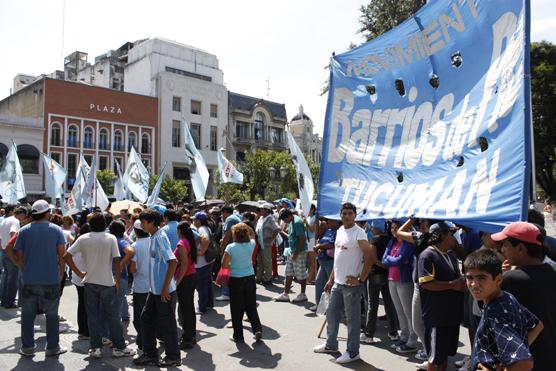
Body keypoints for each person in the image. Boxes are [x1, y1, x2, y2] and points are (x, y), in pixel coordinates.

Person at [65, 212, 135, 359]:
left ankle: (95, 347)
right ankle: (119, 347)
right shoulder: (110, 238)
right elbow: (116, 261)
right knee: (113, 317)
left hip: (89, 282)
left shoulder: (83, 238)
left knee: (93, 317)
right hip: (107, 282)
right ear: (104, 224)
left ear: (90, 225)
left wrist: (79, 272)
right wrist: (116, 280)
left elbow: (67, 256)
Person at [464, 249, 544, 371]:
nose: (474, 284)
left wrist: (513, 360)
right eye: (469, 277)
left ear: (499, 280)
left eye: (481, 278)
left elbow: (524, 363)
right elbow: (537, 325)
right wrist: (506, 361)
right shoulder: (506, 297)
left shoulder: (495, 311)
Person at [491, 222, 556, 371]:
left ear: (520, 248)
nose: (502, 250)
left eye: (505, 245)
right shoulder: (553, 272)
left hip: (519, 361)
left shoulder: (510, 280)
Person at [313, 202, 372, 364]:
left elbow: (370, 256)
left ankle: (353, 352)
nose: (347, 216)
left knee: (352, 321)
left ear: (355, 215)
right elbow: (338, 259)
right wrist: (331, 279)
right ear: (340, 215)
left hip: (352, 286)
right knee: (332, 315)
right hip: (337, 283)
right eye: (344, 213)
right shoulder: (339, 231)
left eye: (350, 213)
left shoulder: (359, 233)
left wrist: (361, 279)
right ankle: (331, 344)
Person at [12, 200, 67, 357]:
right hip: (50, 279)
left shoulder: (24, 231)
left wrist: (23, 269)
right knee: (51, 315)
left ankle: (28, 347)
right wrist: (61, 273)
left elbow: (18, 254)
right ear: (47, 213)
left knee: (28, 315)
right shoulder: (56, 230)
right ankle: (52, 347)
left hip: (29, 279)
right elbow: (62, 254)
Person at [133, 208, 180, 367]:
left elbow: (172, 261)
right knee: (146, 319)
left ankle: (173, 356)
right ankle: (150, 354)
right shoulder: (153, 236)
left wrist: (165, 288)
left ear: (152, 222)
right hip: (154, 290)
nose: (142, 225)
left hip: (163, 291)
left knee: (167, 325)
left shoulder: (160, 237)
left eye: (144, 222)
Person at [418, 221, 465, 371]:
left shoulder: (450, 255)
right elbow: (426, 283)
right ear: (441, 236)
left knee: (444, 356)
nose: (455, 238)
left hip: (451, 314)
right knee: (435, 359)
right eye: (451, 234)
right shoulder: (427, 255)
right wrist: (452, 284)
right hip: (438, 316)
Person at [222, 223, 263, 342]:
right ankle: (257, 329)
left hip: (236, 279)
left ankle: (238, 335)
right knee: (251, 306)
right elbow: (253, 234)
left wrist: (233, 264)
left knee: (236, 307)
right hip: (250, 277)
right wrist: (245, 226)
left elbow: (224, 264)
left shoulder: (231, 247)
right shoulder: (251, 244)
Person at [382, 220, 418, 353]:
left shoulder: (408, 242)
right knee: (399, 312)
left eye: (397, 228)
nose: (394, 230)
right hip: (391, 279)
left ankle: (412, 341)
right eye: (392, 228)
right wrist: (394, 260)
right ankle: (404, 337)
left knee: (409, 313)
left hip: (404, 280)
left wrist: (392, 259)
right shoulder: (392, 242)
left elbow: (400, 260)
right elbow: (384, 260)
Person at [361, 220, 399, 344]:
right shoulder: (390, 239)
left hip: (374, 274)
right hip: (387, 275)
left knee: (372, 305)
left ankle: (369, 334)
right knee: (389, 304)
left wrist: (381, 265)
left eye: (373, 226)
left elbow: (372, 258)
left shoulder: (375, 240)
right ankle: (393, 332)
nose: (371, 228)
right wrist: (386, 267)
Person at [274, 208, 309, 303]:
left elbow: (302, 239)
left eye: (285, 219)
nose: (285, 222)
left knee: (301, 274)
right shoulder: (291, 221)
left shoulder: (297, 222)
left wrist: (296, 253)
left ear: (289, 216)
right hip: (292, 251)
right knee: (288, 273)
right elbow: (292, 236)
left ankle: (303, 294)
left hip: (299, 252)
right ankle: (285, 294)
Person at [128, 219, 150, 353]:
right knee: (152, 316)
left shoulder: (135, 246)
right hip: (154, 286)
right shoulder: (155, 241)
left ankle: (143, 342)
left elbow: (133, 269)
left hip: (140, 286)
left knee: (140, 318)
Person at [175, 221, 197, 349]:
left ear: (180, 231)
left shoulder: (182, 243)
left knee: (186, 309)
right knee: (188, 308)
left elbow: (183, 265)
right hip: (190, 276)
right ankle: (190, 335)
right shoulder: (189, 241)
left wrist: (178, 281)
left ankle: (188, 337)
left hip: (186, 278)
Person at [310, 218, 339, 312]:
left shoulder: (338, 232)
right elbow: (322, 241)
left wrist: (320, 247)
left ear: (336, 221)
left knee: (330, 286)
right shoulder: (328, 231)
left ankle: (330, 308)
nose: (328, 222)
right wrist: (319, 247)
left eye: (330, 221)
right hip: (322, 263)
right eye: (327, 221)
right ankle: (320, 306)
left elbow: (332, 244)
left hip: (330, 263)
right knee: (319, 283)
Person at [109, 220, 135, 322]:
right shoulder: (120, 241)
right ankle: (123, 317)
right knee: (120, 299)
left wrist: (121, 263)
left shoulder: (116, 241)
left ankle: (116, 329)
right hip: (121, 276)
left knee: (116, 303)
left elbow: (130, 252)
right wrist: (123, 263)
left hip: (113, 276)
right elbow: (131, 252)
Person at [71, 223, 90, 340]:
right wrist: (80, 272)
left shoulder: (77, 242)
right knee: (86, 305)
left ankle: (83, 330)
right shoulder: (84, 243)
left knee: (82, 304)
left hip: (78, 278)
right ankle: (86, 331)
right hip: (84, 278)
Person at [192, 211, 215, 313]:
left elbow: (205, 240)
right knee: (207, 283)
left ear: (198, 221)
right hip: (208, 261)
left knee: (201, 286)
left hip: (202, 262)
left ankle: (202, 308)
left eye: (194, 220)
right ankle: (209, 303)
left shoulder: (201, 229)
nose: (193, 221)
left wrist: (201, 252)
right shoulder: (207, 228)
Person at [218, 205, 242, 301]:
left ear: (225, 212)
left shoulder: (230, 219)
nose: (221, 216)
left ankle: (225, 293)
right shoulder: (236, 217)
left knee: (225, 270)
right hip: (237, 247)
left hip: (231, 249)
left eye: (221, 213)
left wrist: (222, 248)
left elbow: (227, 235)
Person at [0, 204, 22, 308]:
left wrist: (3, 247)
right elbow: (13, 233)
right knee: (13, 279)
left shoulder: (4, 220)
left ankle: (4, 301)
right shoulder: (15, 221)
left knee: (5, 277)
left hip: (3, 251)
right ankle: (9, 302)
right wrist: (14, 250)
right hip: (10, 251)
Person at [255, 203, 280, 285]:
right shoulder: (261, 218)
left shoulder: (270, 219)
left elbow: (277, 229)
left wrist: (271, 238)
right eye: (261, 209)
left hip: (266, 244)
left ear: (267, 210)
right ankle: (259, 277)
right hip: (259, 243)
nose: (261, 210)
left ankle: (267, 278)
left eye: (263, 209)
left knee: (267, 262)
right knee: (260, 261)